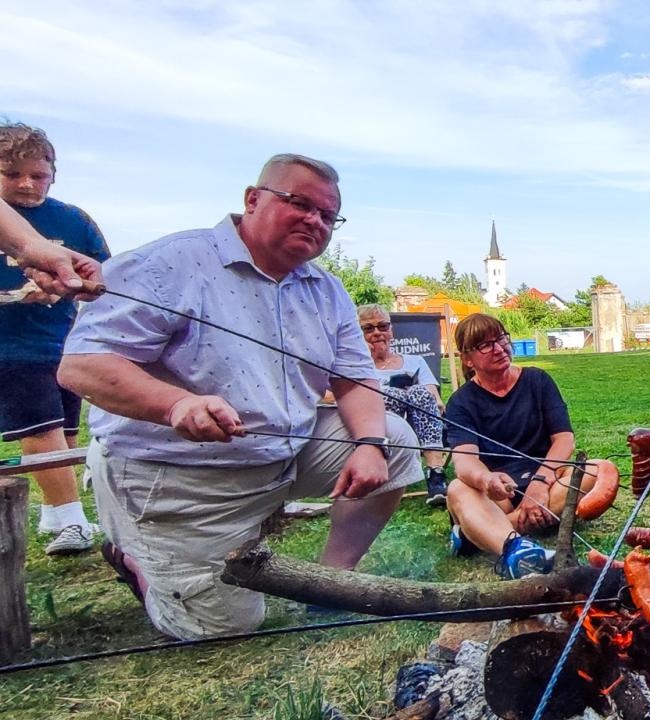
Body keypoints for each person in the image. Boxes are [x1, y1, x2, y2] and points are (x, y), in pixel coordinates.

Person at [58, 154, 421, 639]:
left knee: (392, 439)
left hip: (282, 455)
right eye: (300, 203)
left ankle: (331, 585)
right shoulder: (172, 263)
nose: (315, 220)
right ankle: (136, 559)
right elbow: (82, 365)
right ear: (253, 199)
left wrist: (370, 446)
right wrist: (176, 405)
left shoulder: (326, 289)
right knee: (226, 628)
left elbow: (354, 379)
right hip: (182, 478)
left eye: (328, 216)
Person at [0, 123, 112, 555]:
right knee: (39, 429)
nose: (27, 184)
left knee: (65, 430)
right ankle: (72, 520)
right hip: (11, 348)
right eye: (12, 175)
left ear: (53, 174)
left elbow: (104, 272)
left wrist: (81, 288)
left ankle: (52, 512)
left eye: (37, 175)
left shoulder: (73, 219)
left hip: (63, 341)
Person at [443, 313, 589, 578]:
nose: (499, 348)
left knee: (595, 471)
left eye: (500, 338)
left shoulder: (537, 380)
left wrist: (540, 484)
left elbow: (564, 438)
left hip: (546, 483)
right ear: (467, 358)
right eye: (485, 345)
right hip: (499, 497)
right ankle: (514, 548)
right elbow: (464, 462)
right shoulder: (460, 403)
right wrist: (487, 480)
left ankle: (475, 533)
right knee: (456, 489)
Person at [357, 304, 450, 505]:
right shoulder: (355, 365)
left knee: (419, 392)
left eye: (383, 326)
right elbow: (334, 396)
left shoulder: (414, 361)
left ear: (391, 330)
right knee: (391, 392)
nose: (377, 333)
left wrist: (413, 393)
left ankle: (436, 474)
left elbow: (436, 399)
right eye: (368, 328)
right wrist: (364, 359)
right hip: (378, 426)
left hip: (417, 424)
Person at [1, 200, 102, 301]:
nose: (26, 185)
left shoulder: (74, 218)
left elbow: (105, 266)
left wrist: (30, 245)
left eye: (38, 182)